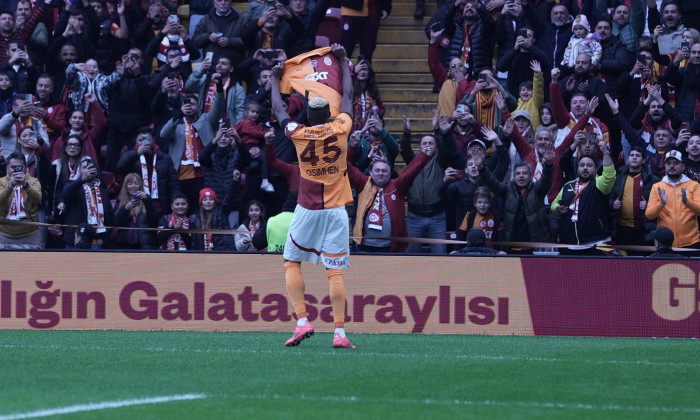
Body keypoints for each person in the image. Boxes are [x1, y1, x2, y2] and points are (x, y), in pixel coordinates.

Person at [270, 43, 356, 349]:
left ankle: (303, 320)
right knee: (334, 271)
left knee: (291, 263)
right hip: (336, 211)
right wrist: (343, 62)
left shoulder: (298, 132)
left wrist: (274, 79)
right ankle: (340, 333)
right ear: (329, 113)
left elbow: (278, 111)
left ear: (307, 115)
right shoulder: (342, 127)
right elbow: (347, 97)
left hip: (307, 207)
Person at [481, 133, 555, 250]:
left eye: (524, 173)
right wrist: (482, 168)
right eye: (518, 174)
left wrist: (549, 164)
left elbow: (546, 180)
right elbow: (493, 183)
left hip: (534, 247)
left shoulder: (538, 189)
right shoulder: (507, 189)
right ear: (513, 176)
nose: (521, 176)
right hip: (512, 247)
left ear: (531, 176)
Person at [551, 137, 616, 250]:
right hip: (569, 243)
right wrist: (557, 208)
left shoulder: (599, 183)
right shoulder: (568, 185)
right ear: (578, 168)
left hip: (596, 243)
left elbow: (609, 175)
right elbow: (554, 204)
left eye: (589, 166)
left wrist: (605, 151)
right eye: (582, 165)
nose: (585, 168)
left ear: (596, 169)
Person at [116, 127, 181, 215]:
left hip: (160, 205)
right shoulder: (132, 157)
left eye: (148, 139)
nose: (144, 142)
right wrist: (137, 153)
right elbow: (119, 168)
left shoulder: (164, 158)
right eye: (140, 140)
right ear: (136, 141)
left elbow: (173, 183)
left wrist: (175, 201)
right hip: (138, 205)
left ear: (153, 140)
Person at [645, 149, 700, 248]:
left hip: (691, 242)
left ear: (683, 166)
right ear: (665, 166)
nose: (672, 166)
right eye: (669, 163)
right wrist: (661, 204)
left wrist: (688, 202)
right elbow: (649, 215)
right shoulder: (657, 187)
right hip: (665, 244)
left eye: (676, 163)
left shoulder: (694, 185)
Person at [609, 146, 658, 249]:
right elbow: (610, 198)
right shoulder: (619, 177)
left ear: (644, 160)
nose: (634, 158)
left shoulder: (652, 180)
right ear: (628, 158)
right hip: (622, 229)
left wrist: (648, 205)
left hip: (643, 229)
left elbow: (661, 203)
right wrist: (613, 203)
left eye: (638, 156)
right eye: (632, 155)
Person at [61, 156, 113, 249]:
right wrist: (81, 180)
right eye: (85, 167)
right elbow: (65, 194)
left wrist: (104, 238)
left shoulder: (102, 190)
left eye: (91, 167)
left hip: (96, 241)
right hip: (75, 239)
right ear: (79, 171)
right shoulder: (73, 185)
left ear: (96, 171)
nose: (88, 170)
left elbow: (109, 215)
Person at [0, 151, 42, 248]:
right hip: (4, 234)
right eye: (12, 167)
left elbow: (38, 200)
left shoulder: (33, 181)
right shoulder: (1, 182)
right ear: (7, 168)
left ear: (25, 168)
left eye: (19, 167)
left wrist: (26, 185)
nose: (16, 170)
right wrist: (10, 187)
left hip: (30, 234)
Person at [113, 173, 159, 249]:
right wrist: (125, 209)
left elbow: (154, 222)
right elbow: (115, 223)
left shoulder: (147, 200)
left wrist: (148, 202)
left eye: (136, 183)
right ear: (126, 186)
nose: (133, 186)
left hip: (145, 244)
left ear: (140, 185)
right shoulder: (120, 201)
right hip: (125, 245)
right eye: (130, 184)